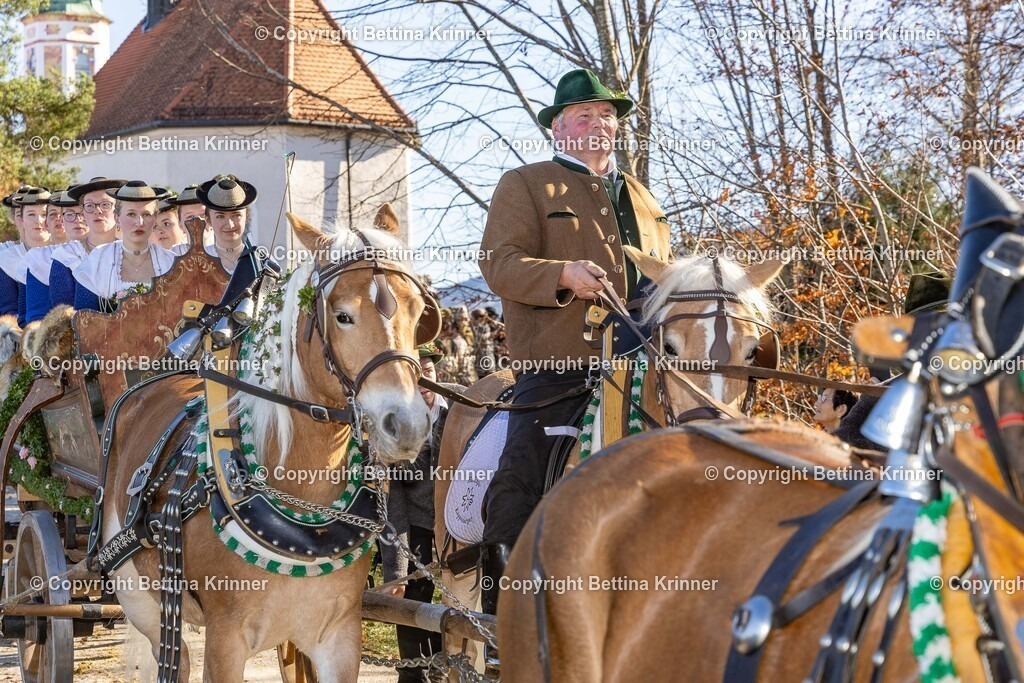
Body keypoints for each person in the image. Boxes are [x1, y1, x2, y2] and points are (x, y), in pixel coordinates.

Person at [476, 68, 673, 617]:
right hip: (562, 364)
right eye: (584, 115)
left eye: (607, 116)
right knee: (522, 473)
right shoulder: (526, 183)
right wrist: (562, 273)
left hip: (650, 363)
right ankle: (503, 619)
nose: (599, 123)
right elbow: (498, 264)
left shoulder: (643, 197)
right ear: (557, 129)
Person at [380, 343, 451, 681]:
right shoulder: (395, 426)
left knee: (463, 601)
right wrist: (397, 570)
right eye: (416, 377)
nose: (425, 384)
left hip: (460, 526)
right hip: (419, 525)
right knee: (414, 598)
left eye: (430, 373)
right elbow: (395, 501)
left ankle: (450, 667)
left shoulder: (465, 407)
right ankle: (414, 674)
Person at [73, 181, 176, 312]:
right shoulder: (98, 260)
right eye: (131, 214)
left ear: (155, 218)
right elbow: (84, 319)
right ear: (117, 218)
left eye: (146, 215)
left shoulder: (170, 262)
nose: (139, 223)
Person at [50, 177, 126, 308]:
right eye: (90, 205)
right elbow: (63, 315)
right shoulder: (66, 256)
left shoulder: (132, 252)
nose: (97, 210)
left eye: (106, 204)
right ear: (83, 213)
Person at [25, 188, 85, 323]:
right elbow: (35, 316)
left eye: (80, 213)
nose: (58, 219)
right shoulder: (39, 259)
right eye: (53, 214)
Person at [1, 187, 53, 325]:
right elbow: (9, 310)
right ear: (20, 219)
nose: (39, 221)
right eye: (31, 214)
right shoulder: (7, 259)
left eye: (45, 214)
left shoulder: (66, 254)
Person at [196, 174, 257, 274]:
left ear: (247, 216)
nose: (230, 225)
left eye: (236, 215)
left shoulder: (260, 260)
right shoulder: (198, 261)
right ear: (208, 219)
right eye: (220, 216)